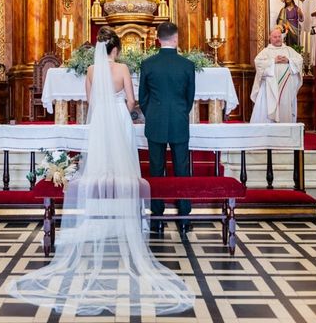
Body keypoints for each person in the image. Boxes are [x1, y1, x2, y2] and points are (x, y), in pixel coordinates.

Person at [10, 26, 194, 316]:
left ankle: (98, 210)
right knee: (128, 165)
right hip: (121, 117)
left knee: (102, 162)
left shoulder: (93, 71)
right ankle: (140, 214)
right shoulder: (122, 68)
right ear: (117, 49)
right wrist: (127, 107)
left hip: (101, 120)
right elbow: (133, 101)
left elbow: (90, 101)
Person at [139, 22, 195, 233]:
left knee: (156, 169)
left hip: (155, 120)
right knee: (182, 168)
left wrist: (152, 112)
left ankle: (157, 217)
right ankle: (184, 217)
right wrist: (181, 111)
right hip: (180, 119)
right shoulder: (187, 65)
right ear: (176, 38)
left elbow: (142, 97)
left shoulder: (148, 64)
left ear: (158, 39)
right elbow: (190, 97)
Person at [250, 28, 303, 123]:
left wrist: (288, 60)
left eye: (279, 36)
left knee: (285, 107)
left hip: (286, 88)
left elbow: (299, 60)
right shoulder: (266, 51)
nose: (278, 39)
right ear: (270, 38)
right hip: (270, 87)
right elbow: (258, 62)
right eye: (275, 37)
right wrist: (273, 61)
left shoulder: (289, 50)